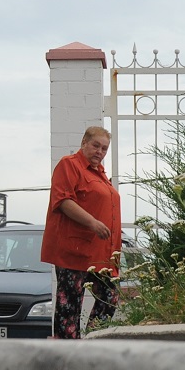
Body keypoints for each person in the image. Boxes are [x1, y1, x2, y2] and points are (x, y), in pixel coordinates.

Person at [40, 126, 122, 339]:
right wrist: (93, 223)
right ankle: (67, 352)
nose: (100, 152)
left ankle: (92, 340)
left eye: (104, 149)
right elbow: (63, 200)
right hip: (74, 250)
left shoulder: (101, 174)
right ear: (84, 142)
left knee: (110, 296)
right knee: (70, 306)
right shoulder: (69, 165)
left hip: (100, 254)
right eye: (96, 146)